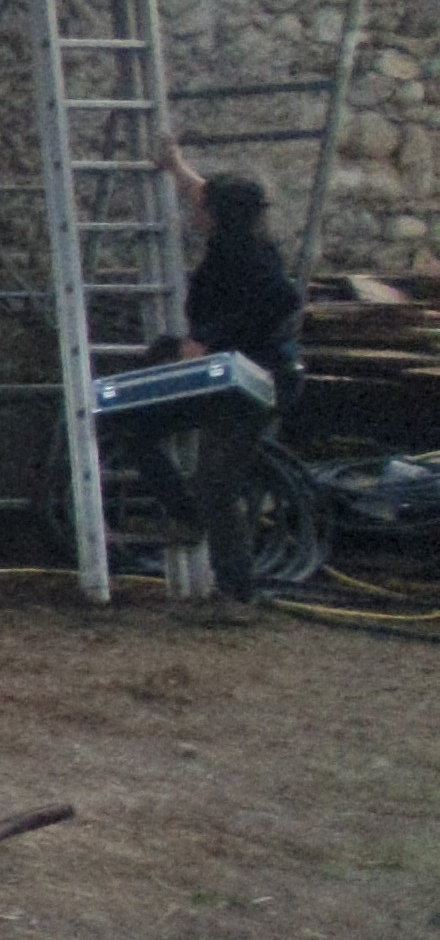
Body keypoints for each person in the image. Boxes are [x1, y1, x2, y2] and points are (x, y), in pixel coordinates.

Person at [132, 139, 309, 608]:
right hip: (224, 376)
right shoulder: (234, 232)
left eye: (203, 205)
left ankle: (237, 597)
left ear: (218, 214)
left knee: (216, 483)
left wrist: (210, 341)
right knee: (130, 422)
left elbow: (282, 300)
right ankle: (184, 515)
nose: (195, 207)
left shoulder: (244, 253)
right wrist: (176, 166)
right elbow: (208, 192)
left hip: (258, 381)